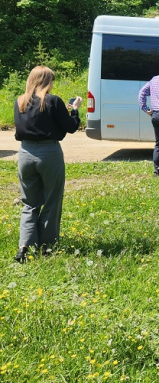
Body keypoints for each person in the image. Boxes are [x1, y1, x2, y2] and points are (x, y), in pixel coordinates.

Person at [13, 66, 81, 263]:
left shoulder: (20, 101)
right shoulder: (53, 100)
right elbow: (70, 127)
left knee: (29, 203)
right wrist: (74, 111)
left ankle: (24, 247)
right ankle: (47, 246)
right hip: (49, 153)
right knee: (52, 200)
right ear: (47, 81)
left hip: (25, 153)